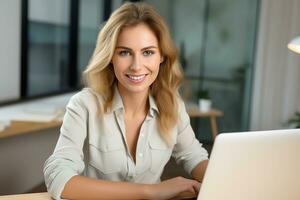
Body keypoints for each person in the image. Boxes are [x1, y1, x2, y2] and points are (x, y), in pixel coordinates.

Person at [43, 2, 209, 200]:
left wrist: (232, 182)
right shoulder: (84, 104)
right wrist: (150, 191)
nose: (136, 66)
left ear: (162, 56)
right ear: (110, 57)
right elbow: (59, 178)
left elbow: (194, 157)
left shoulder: (173, 105)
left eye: (147, 52)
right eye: (124, 52)